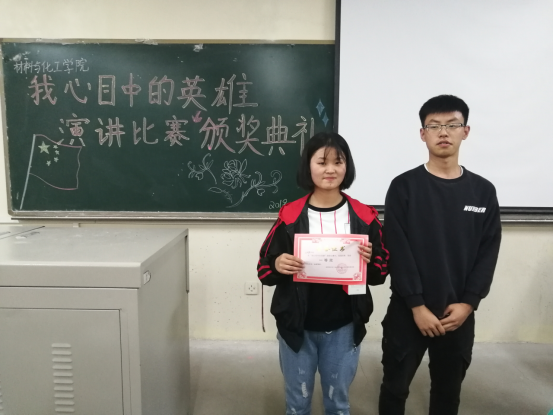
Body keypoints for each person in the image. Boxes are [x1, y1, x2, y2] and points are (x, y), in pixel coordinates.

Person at [378, 95, 502, 414]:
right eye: (434, 126)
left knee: (448, 392)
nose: (443, 132)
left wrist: (468, 303)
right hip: (409, 311)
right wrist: (417, 305)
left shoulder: (483, 191)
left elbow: (488, 251)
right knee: (394, 388)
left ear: (466, 131)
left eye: (452, 125)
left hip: (457, 313)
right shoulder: (404, 187)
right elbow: (397, 249)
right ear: (423, 134)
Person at [257, 132, 389, 415]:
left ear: (347, 167)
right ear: (308, 166)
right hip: (297, 327)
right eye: (322, 162)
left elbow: (381, 272)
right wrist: (278, 264)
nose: (330, 169)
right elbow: (264, 269)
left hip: (344, 326)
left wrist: (370, 261)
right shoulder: (290, 215)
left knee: (338, 403)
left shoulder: (364, 216)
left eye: (338, 162)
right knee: (297, 405)